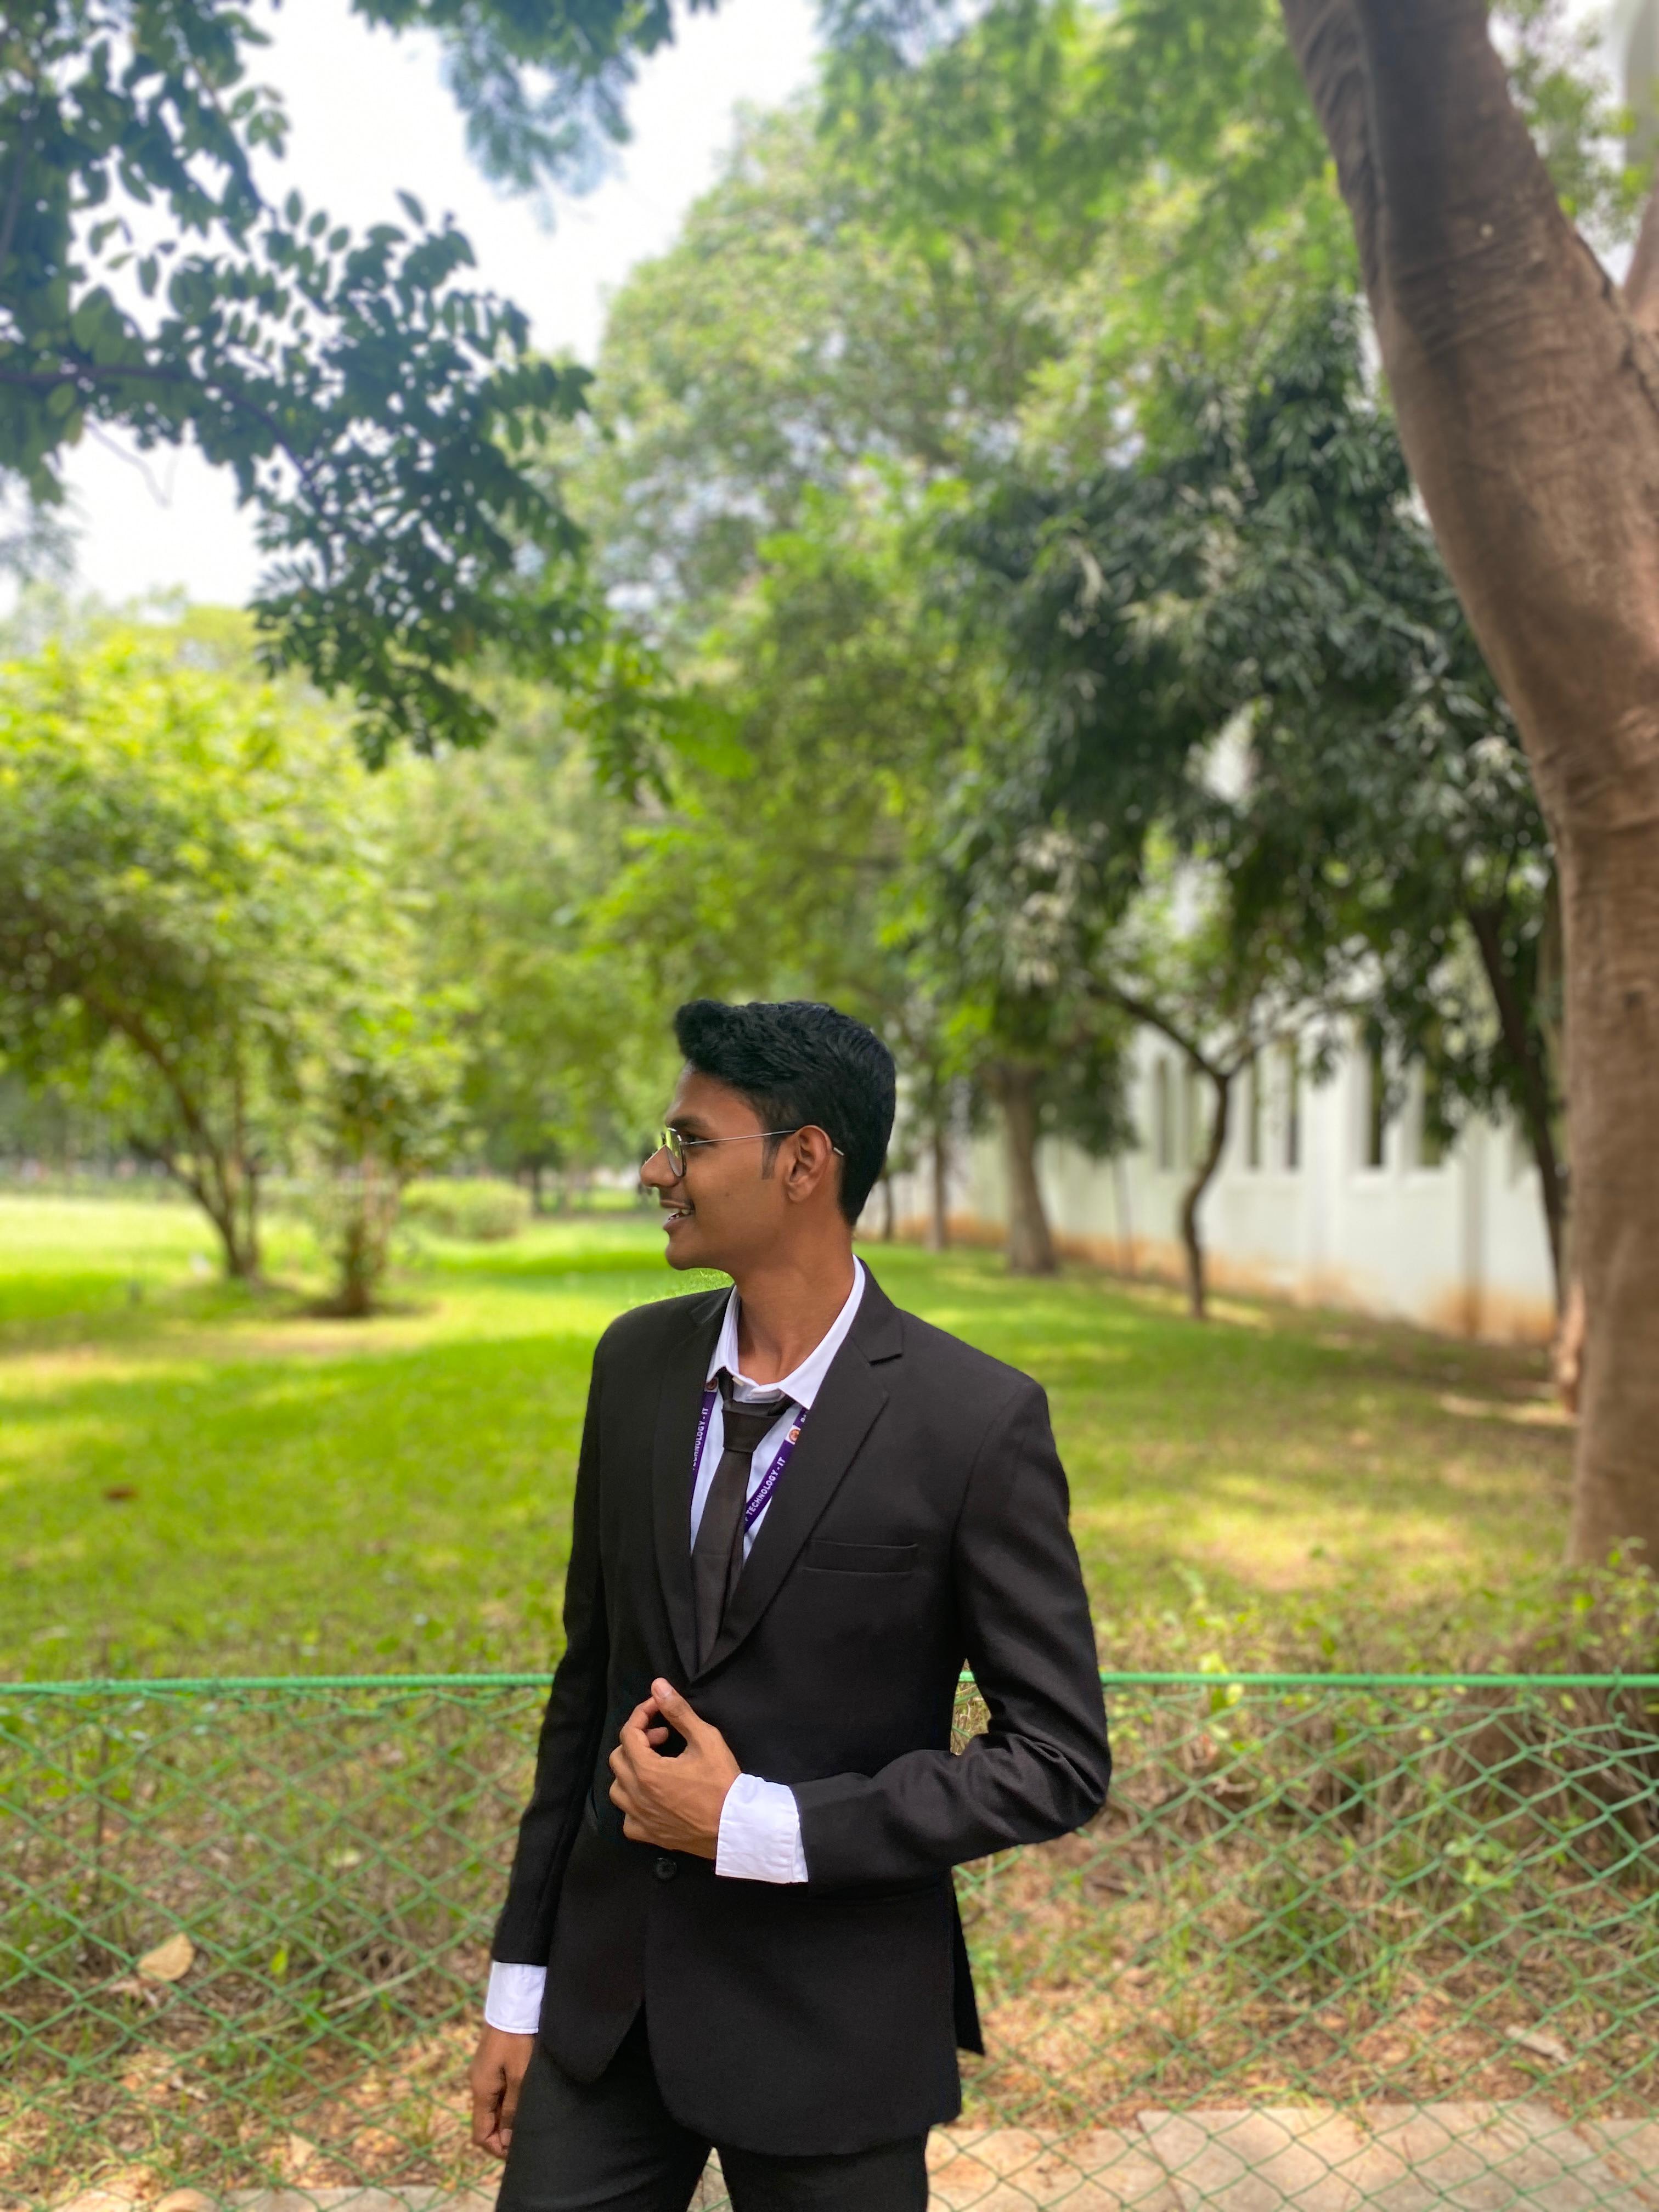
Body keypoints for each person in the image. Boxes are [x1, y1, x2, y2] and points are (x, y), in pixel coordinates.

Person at [469, 998, 1110, 2212]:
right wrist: (521, 1986)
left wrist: (757, 1825)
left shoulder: (975, 1423)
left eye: (690, 1141)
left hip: (834, 2036)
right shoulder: (632, 1365)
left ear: (804, 1162)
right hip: (607, 2020)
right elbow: (587, 1688)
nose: (656, 1170)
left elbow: (1058, 1760)